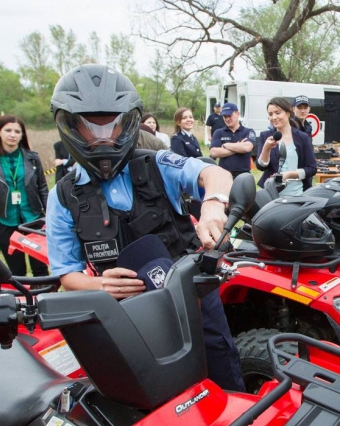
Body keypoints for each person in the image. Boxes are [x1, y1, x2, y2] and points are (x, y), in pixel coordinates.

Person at [45, 64, 245, 392]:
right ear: (69, 125)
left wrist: (212, 204)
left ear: (128, 123)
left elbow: (214, 174)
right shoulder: (63, 196)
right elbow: (66, 273)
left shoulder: (157, 164)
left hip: (190, 295)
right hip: (129, 311)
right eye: (89, 127)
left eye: (112, 125)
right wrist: (98, 286)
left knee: (222, 366)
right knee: (152, 390)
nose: (103, 137)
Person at [0, 114, 49, 277]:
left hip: (34, 220)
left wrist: (51, 216)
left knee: (41, 269)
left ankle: (45, 300)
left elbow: (43, 189)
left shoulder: (32, 158)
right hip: (6, 221)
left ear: (22, 135)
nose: (12, 135)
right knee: (16, 272)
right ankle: (23, 301)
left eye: (17, 131)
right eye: (8, 130)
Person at [256, 97, 317, 196]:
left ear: (288, 113)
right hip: (271, 196)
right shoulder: (265, 136)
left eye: (277, 112)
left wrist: (290, 174)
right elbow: (261, 167)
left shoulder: (302, 137)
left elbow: (312, 168)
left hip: (297, 195)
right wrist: (266, 149)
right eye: (270, 114)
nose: (274, 117)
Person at [209, 102, 256, 178]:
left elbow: (247, 148)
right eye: (225, 116)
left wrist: (225, 145)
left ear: (238, 114)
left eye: (230, 116)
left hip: (243, 175)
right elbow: (213, 152)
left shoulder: (248, 131)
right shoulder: (219, 132)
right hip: (224, 174)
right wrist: (238, 146)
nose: (227, 119)